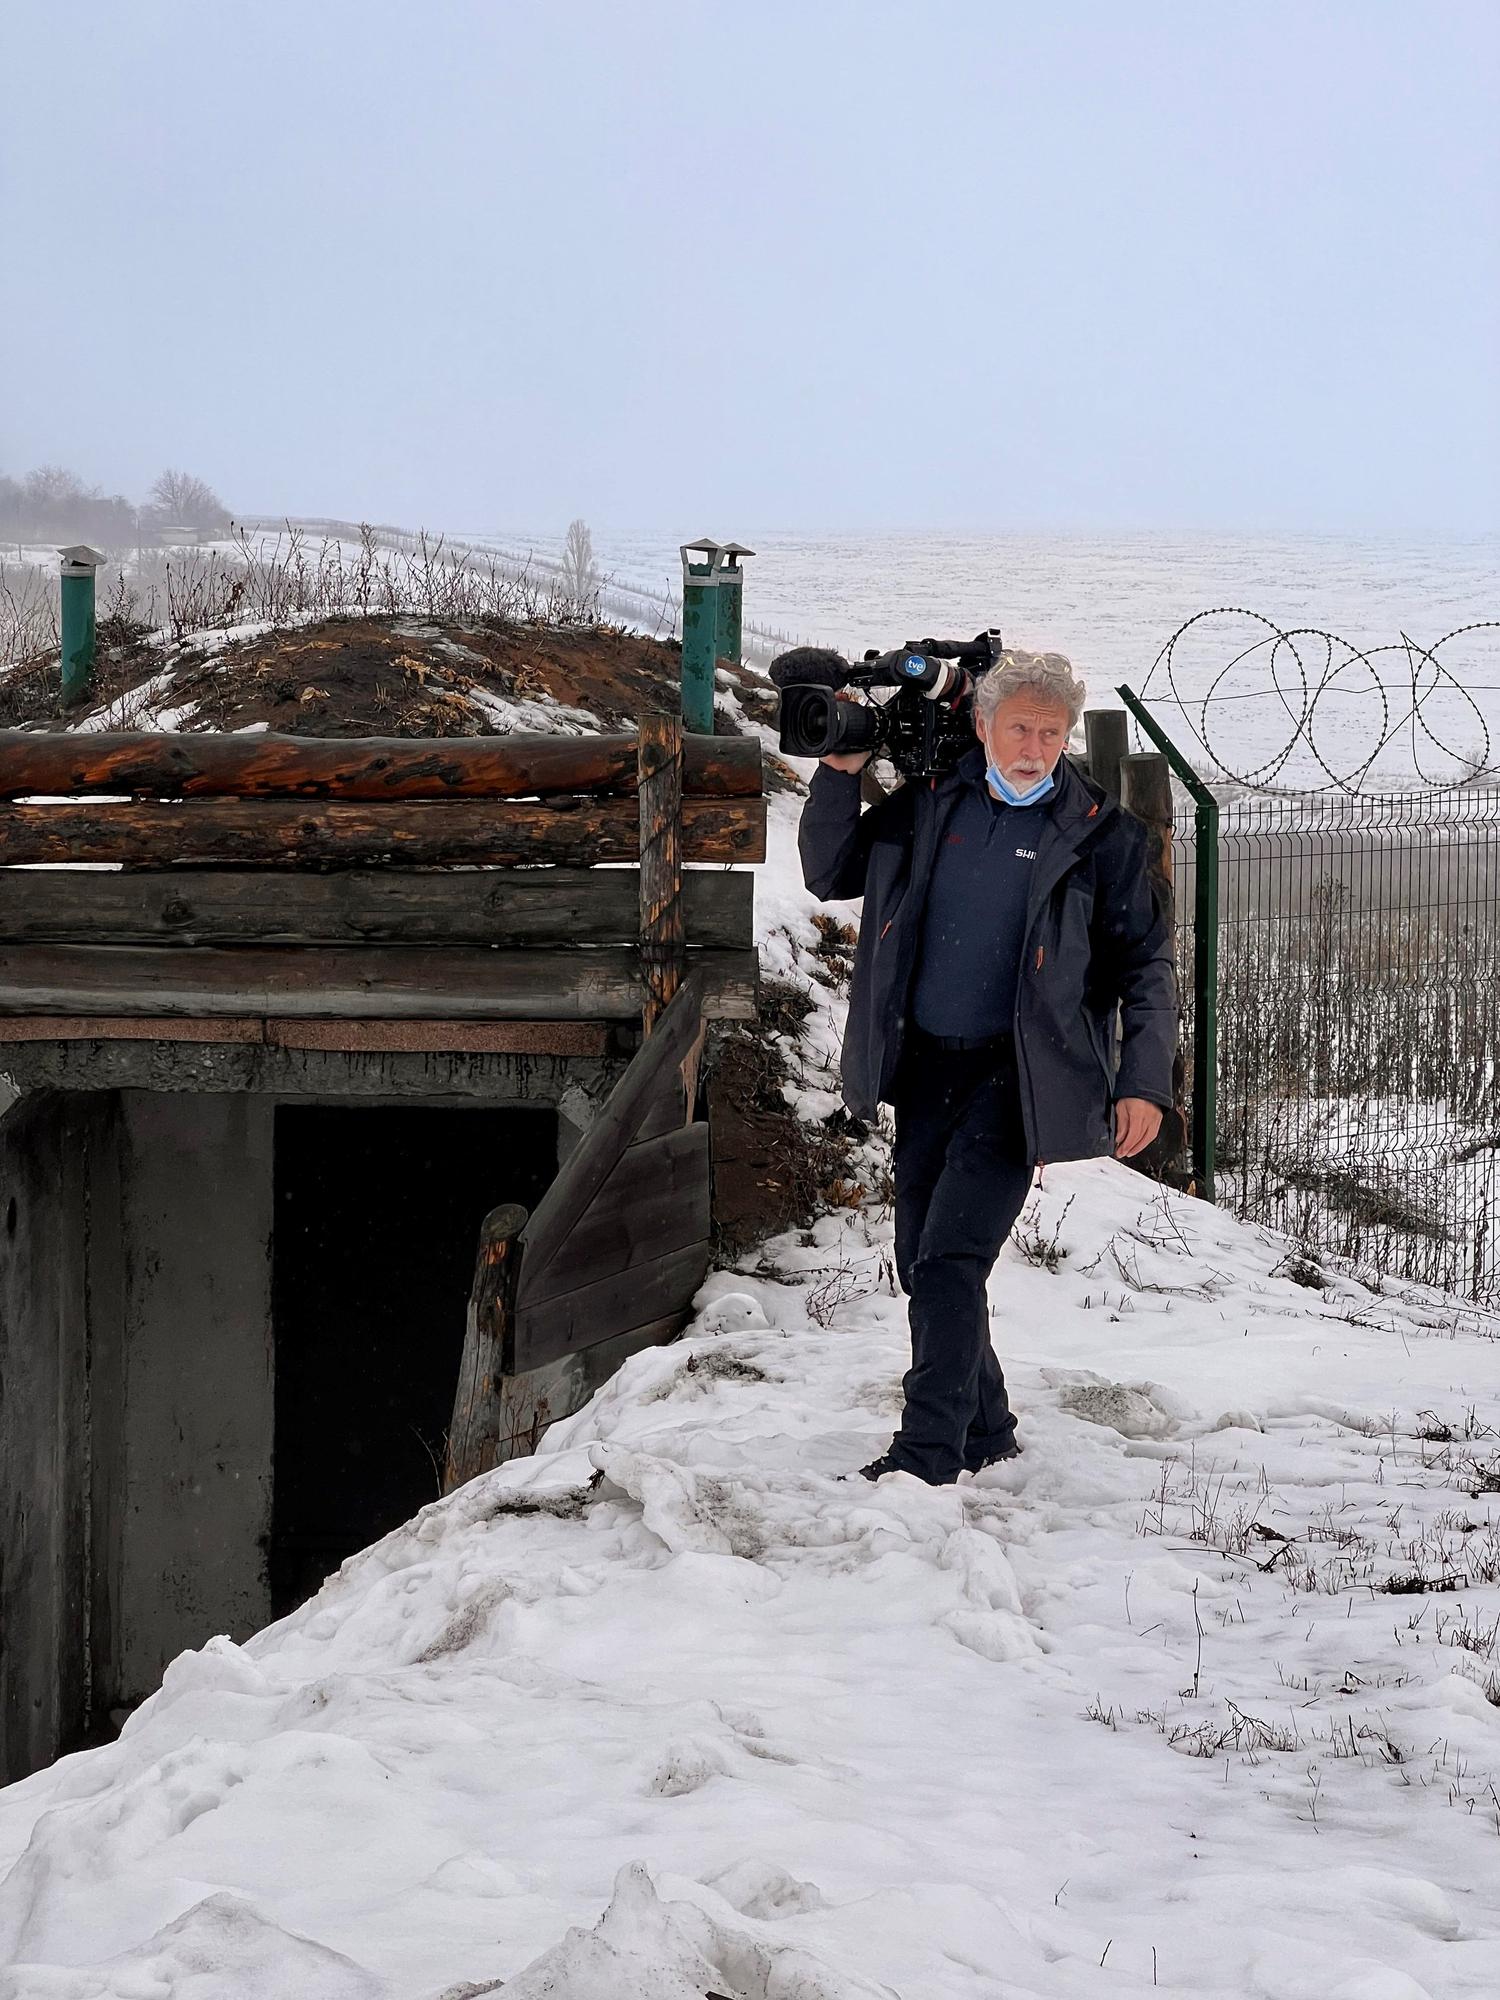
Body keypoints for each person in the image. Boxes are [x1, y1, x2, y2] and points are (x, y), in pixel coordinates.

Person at [796, 648, 1177, 1485]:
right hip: (928, 1070)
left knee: (950, 1262)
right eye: (1019, 727)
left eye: (1051, 731)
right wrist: (838, 773)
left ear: (1066, 736)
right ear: (982, 727)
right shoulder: (932, 806)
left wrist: (1145, 1083)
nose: (1035, 746)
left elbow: (1146, 968)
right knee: (922, 1257)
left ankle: (926, 1455)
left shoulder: (1099, 836)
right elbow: (828, 872)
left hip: (1021, 1081)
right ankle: (988, 1424)